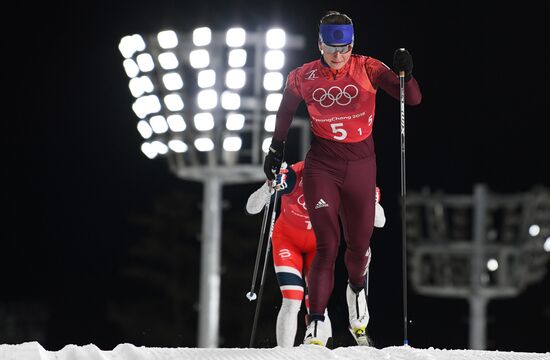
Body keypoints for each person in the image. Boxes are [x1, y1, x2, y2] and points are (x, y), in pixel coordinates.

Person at [262, 11, 422, 346]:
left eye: (345, 48)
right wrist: (275, 148)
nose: (338, 55)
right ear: (320, 43)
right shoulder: (303, 76)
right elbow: (285, 110)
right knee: (327, 244)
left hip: (362, 167)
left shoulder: (368, 68)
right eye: (332, 47)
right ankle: (316, 321)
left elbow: (414, 99)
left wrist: (406, 74)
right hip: (323, 165)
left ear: (353, 44)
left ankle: (356, 291)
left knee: (359, 248)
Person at [247, 161, 386, 347]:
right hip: (287, 240)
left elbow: (380, 222)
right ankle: (284, 354)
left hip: (319, 245)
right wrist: (269, 186)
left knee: (317, 304)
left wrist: (369, 200)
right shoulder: (294, 176)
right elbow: (252, 208)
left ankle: (316, 349)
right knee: (291, 299)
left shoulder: (343, 179)